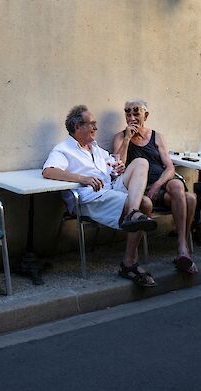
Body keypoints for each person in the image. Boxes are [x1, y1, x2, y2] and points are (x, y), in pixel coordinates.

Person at [43, 104, 158, 288]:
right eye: (92, 124)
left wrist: (117, 166)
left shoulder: (94, 148)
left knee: (141, 162)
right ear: (77, 127)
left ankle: (132, 212)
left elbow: (115, 161)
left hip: (109, 188)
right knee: (146, 204)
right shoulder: (63, 149)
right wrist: (83, 178)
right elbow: (49, 172)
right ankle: (129, 263)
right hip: (89, 198)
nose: (96, 128)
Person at [113, 99, 198, 274]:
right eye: (128, 113)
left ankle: (182, 248)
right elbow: (118, 164)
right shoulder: (121, 137)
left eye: (136, 113)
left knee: (177, 186)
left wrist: (158, 184)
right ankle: (183, 249)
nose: (131, 117)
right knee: (189, 198)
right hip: (140, 190)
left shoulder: (156, 136)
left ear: (146, 115)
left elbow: (170, 167)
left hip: (161, 187)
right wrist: (128, 138)